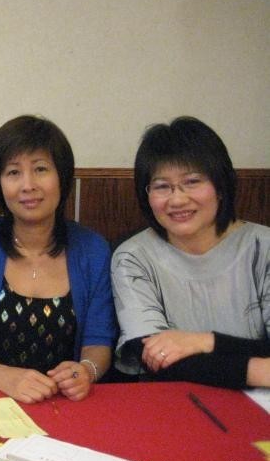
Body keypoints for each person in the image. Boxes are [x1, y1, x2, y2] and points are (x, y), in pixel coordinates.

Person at [0, 115, 117, 404]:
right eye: (13, 172)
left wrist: (86, 371)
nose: (28, 185)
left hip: (67, 403)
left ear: (62, 177)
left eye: (40, 169)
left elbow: (98, 343)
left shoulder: (93, 250)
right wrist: (3, 377)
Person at [111, 116, 270, 388]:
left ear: (221, 186)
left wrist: (204, 341)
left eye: (193, 181)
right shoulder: (133, 257)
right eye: (162, 186)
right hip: (171, 401)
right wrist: (260, 370)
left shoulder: (263, 247)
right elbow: (155, 358)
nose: (177, 199)